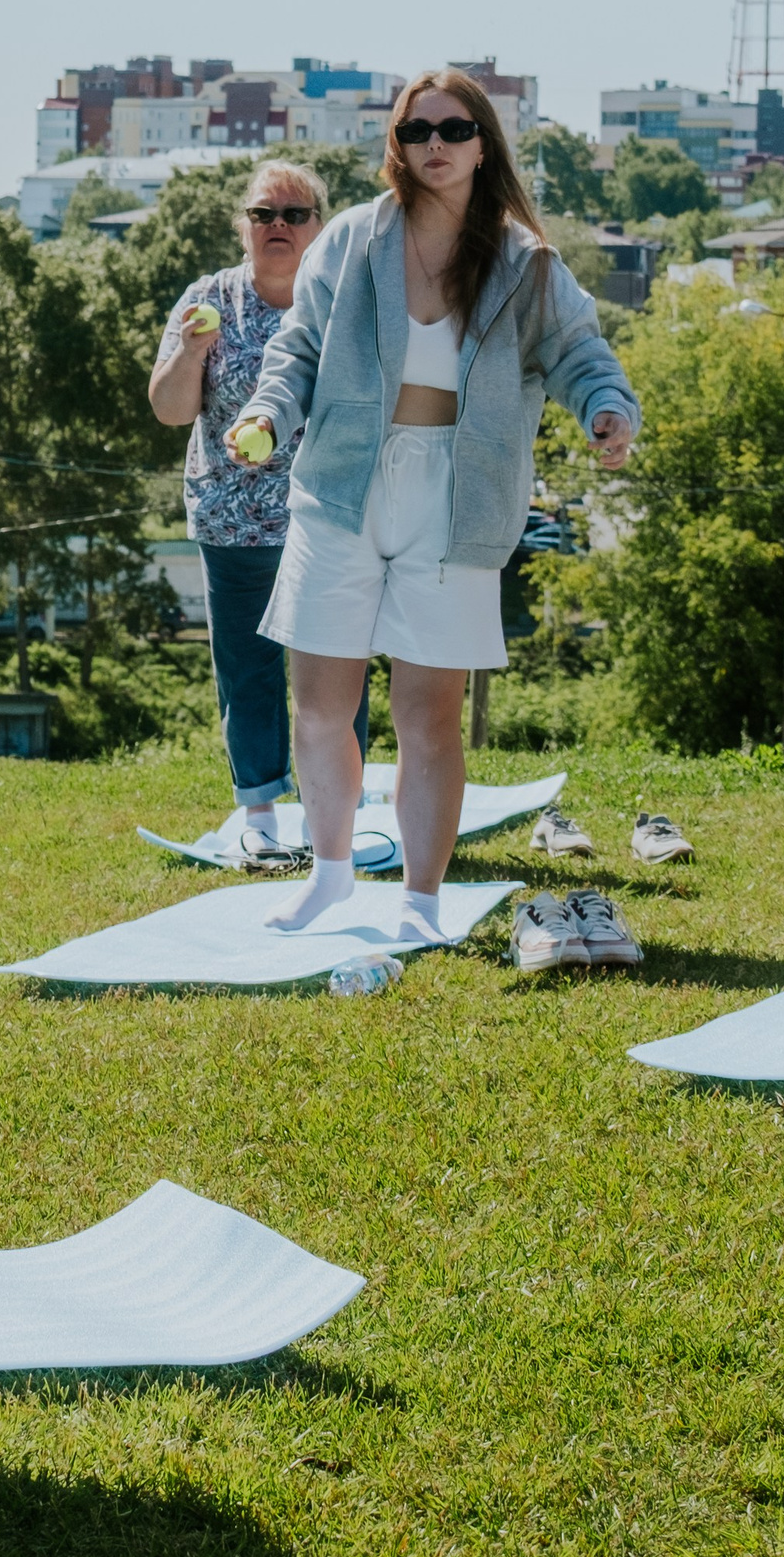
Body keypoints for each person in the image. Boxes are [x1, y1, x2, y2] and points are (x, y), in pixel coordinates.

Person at [234, 71, 638, 944]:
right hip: (343, 485)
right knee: (318, 702)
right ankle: (329, 875)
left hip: (458, 498)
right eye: (418, 131)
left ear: (483, 143)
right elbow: (295, 348)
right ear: (399, 144)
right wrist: (268, 413)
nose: (436, 146)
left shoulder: (526, 260)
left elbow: (580, 353)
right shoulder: (349, 240)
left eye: (454, 130)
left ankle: (421, 901)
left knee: (427, 715)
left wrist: (608, 408)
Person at [147, 160, 367, 826]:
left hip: (329, 518)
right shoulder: (207, 297)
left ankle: (336, 818)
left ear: (319, 228)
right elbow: (168, 409)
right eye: (264, 213)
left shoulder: (343, 301)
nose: (278, 226)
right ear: (242, 226)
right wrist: (190, 353)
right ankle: (261, 816)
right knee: (248, 672)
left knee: (337, 674)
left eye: (294, 215)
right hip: (234, 521)